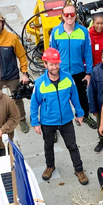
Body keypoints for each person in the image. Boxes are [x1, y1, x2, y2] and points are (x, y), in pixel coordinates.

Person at [30, 48, 89, 185]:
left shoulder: (68, 78)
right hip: (47, 122)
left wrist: (79, 113)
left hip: (66, 120)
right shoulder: (40, 83)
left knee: (72, 145)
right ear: (45, 65)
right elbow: (34, 104)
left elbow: (74, 97)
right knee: (48, 145)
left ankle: (79, 170)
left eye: (56, 63)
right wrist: (35, 122)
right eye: (51, 64)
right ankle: (50, 166)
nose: (54, 67)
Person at [48, 3, 95, 125]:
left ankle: (84, 116)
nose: (69, 17)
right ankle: (55, 122)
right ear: (62, 16)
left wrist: (89, 73)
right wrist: (51, 71)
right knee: (57, 97)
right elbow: (51, 53)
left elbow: (88, 53)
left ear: (76, 16)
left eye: (72, 14)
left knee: (82, 96)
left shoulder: (83, 32)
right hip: (60, 72)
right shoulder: (56, 32)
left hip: (78, 71)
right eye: (67, 14)